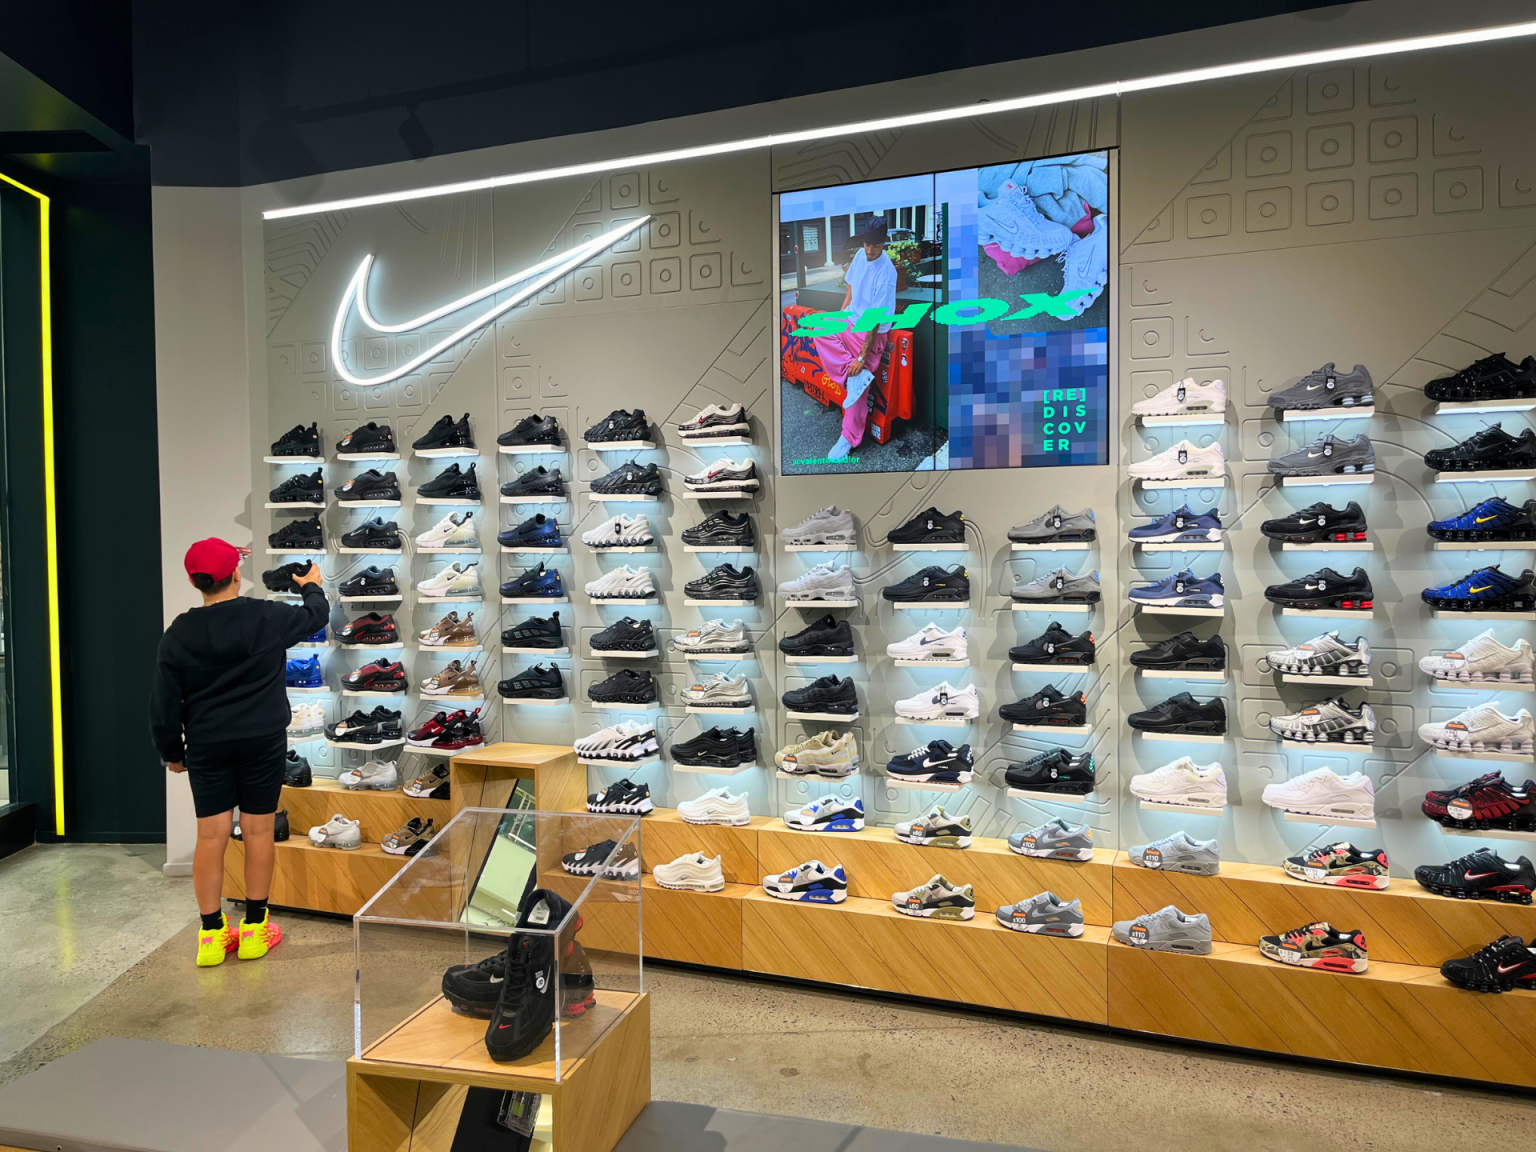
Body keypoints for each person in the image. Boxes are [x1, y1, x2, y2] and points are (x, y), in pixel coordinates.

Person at [149, 538, 329, 967]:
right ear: (235, 574)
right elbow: (316, 615)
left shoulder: (178, 633)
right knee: (258, 831)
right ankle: (253, 929)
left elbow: (163, 702)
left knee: (211, 836)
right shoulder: (265, 616)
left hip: (207, 743)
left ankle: (211, 935)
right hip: (262, 740)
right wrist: (310, 584)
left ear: (194, 581)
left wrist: (171, 751)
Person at [812, 214, 897, 460]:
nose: (870, 251)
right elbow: (850, 286)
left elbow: (874, 320)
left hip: (872, 334)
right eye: (867, 244)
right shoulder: (860, 255)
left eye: (876, 246)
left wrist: (861, 357)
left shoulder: (887, 273)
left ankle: (849, 438)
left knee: (859, 374)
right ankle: (853, 376)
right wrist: (840, 316)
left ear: (884, 244)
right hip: (852, 321)